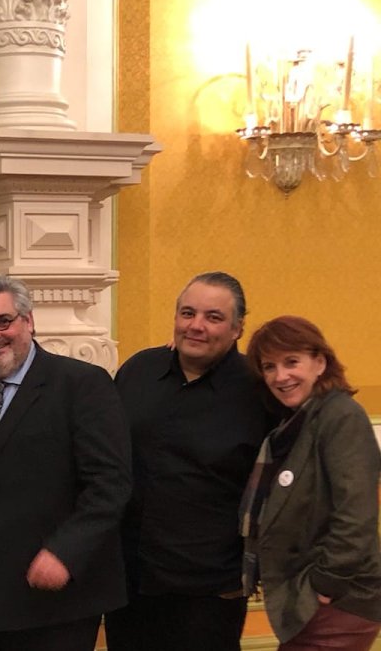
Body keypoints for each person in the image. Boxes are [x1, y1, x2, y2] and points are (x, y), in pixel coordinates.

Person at [0, 273, 131, 651]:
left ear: (29, 321)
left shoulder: (82, 384)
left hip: (51, 598)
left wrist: (65, 553)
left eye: (3, 321)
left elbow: (110, 483)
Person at [105, 271, 276, 651]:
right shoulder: (138, 370)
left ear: (237, 328)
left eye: (213, 317)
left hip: (211, 590)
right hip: (131, 581)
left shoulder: (260, 390)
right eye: (188, 313)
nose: (196, 325)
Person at [242, 316, 381, 650]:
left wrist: (326, 584)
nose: (280, 376)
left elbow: (356, 516)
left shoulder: (341, 416)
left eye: (292, 362)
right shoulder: (296, 423)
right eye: (269, 366)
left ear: (320, 362)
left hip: (341, 601)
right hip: (311, 598)